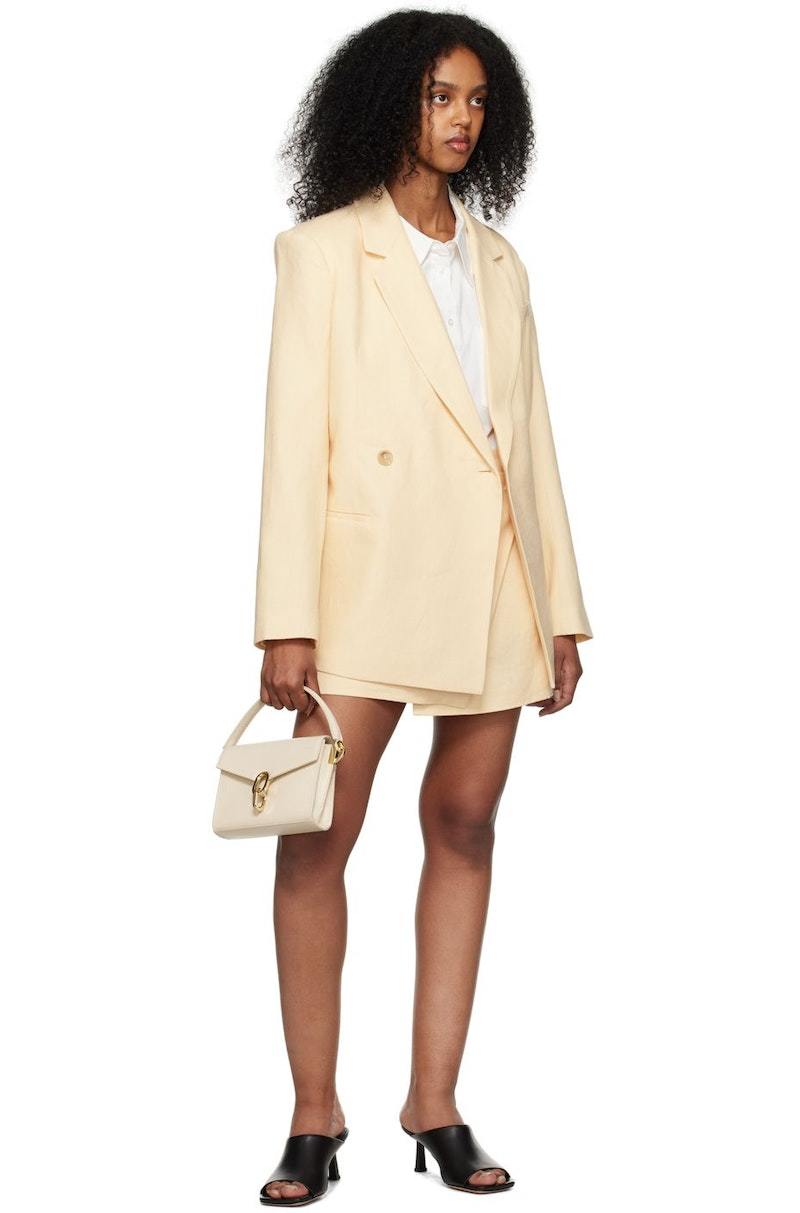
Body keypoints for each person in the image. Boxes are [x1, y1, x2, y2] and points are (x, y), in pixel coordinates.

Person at [252, 11, 593, 1204]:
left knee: (464, 824)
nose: (460, 118)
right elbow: (293, 441)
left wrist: (561, 607)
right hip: (360, 586)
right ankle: (313, 1115)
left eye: (476, 100)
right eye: (438, 95)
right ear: (386, 102)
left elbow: (528, 444)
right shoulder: (321, 251)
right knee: (315, 838)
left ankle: (432, 1103)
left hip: (495, 577)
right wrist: (283, 618)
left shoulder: (499, 263)